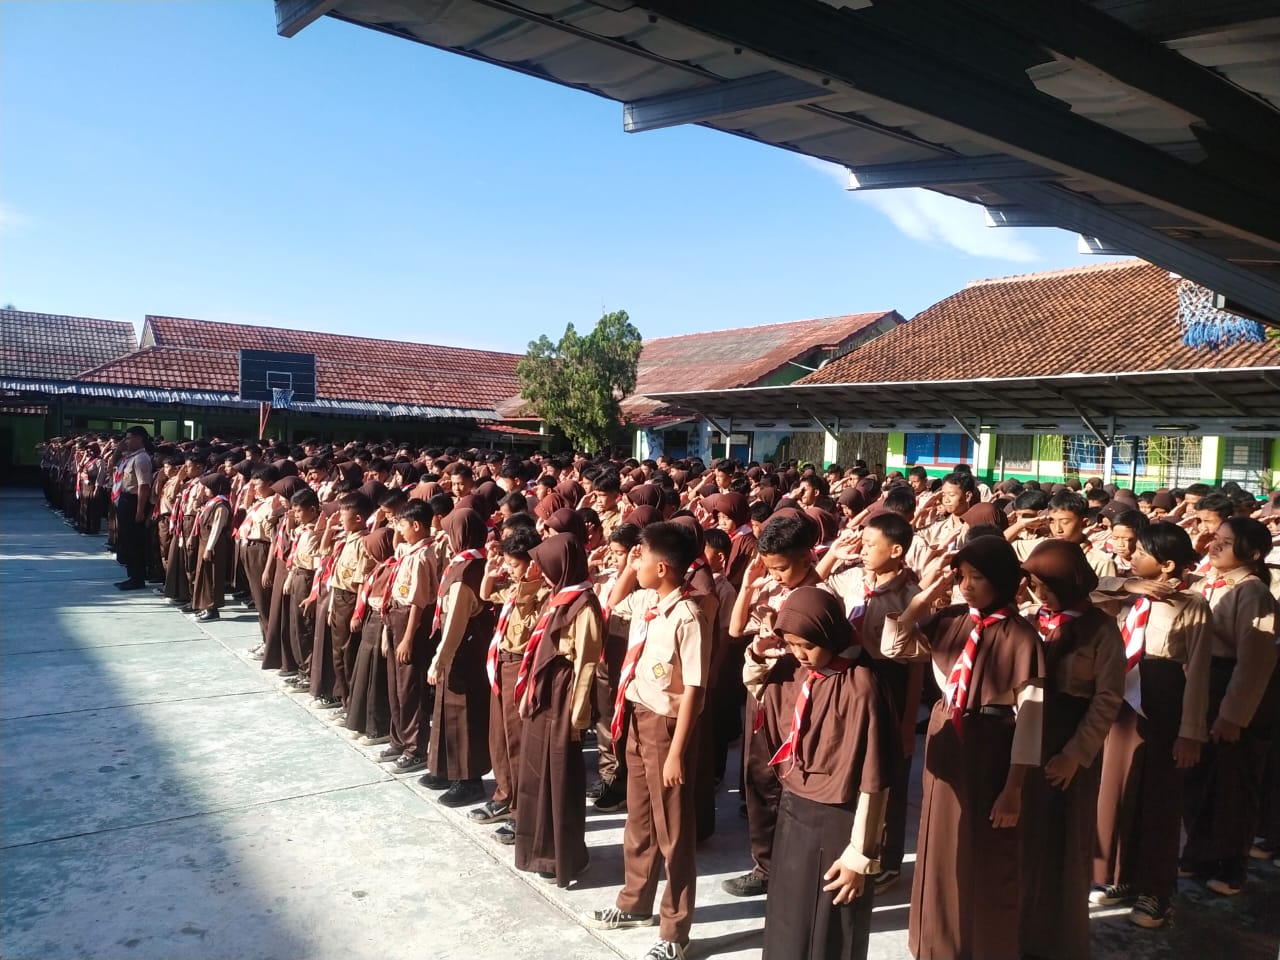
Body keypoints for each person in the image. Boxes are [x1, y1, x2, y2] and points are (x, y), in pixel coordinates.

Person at [882, 535, 1045, 960]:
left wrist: (1014, 787)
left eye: (978, 577)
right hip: (946, 733)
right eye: (961, 577)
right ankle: (934, 940)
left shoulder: (1022, 636)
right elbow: (893, 646)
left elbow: (1030, 720)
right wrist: (924, 598)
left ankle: (982, 945)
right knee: (939, 841)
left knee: (985, 851)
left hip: (992, 745)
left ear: (1003, 580)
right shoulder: (951, 620)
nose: (966, 586)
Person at [746, 587, 899, 960]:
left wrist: (859, 856)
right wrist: (759, 654)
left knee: (830, 926)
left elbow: (874, 782)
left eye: (807, 645)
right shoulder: (798, 669)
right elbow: (763, 692)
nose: (799, 653)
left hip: (839, 823)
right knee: (788, 921)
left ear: (830, 634)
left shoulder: (862, 687)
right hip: (794, 815)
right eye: (792, 644)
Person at [589, 522, 710, 960]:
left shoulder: (688, 615)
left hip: (666, 726)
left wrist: (676, 753)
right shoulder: (648, 600)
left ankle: (675, 931)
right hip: (638, 718)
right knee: (639, 821)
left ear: (662, 567)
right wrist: (627, 564)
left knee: (672, 831)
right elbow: (613, 602)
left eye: (640, 557)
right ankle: (634, 901)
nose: (632, 563)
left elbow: (693, 688)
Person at [1091, 522, 1211, 929]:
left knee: (1160, 797)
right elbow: (1086, 594)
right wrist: (1128, 586)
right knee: (1119, 789)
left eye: (1141, 553)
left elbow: (1198, 671)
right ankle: (1123, 874)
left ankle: (1156, 890)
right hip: (1123, 698)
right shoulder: (1127, 593)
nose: (1132, 556)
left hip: (1163, 699)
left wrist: (1190, 731)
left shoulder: (1191, 603)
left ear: (1167, 565)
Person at [1018, 540, 1124, 960]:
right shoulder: (1029, 621)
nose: (1040, 594)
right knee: (1025, 841)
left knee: (1064, 844)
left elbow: (1107, 699)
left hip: (1069, 742)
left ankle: (1056, 940)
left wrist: (1075, 755)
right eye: (1034, 586)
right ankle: (1018, 933)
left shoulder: (1100, 629)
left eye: (1048, 586)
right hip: (1028, 737)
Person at [724, 512, 823, 898]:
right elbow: (735, 630)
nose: (776, 575)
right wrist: (750, 587)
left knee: (790, 782)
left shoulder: (820, 596)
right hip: (762, 691)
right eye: (770, 568)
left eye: (782, 568)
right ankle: (765, 865)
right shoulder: (767, 586)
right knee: (759, 781)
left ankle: (789, 869)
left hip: (796, 695)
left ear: (807, 557)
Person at [822, 511, 921, 891]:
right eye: (861, 544)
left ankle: (887, 859)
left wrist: (908, 722)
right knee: (853, 763)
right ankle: (852, 844)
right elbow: (812, 585)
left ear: (896, 551)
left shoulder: (911, 596)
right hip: (850, 677)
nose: (862, 551)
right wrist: (833, 554)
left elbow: (915, 667)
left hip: (889, 680)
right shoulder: (852, 579)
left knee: (888, 771)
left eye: (869, 545)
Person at [1181, 516, 1279, 896]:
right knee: (1202, 776)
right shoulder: (1210, 582)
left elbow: (1255, 662)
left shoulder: (1253, 593)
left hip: (1232, 686)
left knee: (1234, 782)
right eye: (1216, 539)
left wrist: (1233, 715)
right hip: (1205, 683)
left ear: (1252, 554)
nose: (1215, 546)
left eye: (1226, 541)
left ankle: (1231, 864)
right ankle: (1200, 853)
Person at [514, 532, 602, 886]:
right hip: (544, 689)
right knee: (536, 772)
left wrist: (578, 717)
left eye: (545, 565)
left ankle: (564, 856)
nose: (540, 570)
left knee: (560, 774)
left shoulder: (584, 604)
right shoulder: (557, 595)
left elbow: (587, 663)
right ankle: (537, 849)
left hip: (564, 692)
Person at [471, 526, 548, 844]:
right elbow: (487, 594)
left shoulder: (542, 592)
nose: (509, 570)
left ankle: (521, 809)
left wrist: (528, 582)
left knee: (517, 740)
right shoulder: (515, 587)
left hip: (521, 666)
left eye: (514, 564)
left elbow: (532, 624)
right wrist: (491, 573)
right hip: (500, 663)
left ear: (532, 564)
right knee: (499, 735)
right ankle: (504, 793)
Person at [424, 508, 494, 802]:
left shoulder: (467, 571)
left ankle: (469, 779)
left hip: (463, 650)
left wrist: (439, 660)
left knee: (464, 714)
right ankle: (444, 767)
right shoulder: (468, 562)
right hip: (460, 648)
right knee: (446, 709)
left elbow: (455, 621)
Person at [379, 499, 439, 773]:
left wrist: (407, 638)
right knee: (395, 686)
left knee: (410, 688)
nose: (399, 529)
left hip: (410, 622)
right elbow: (396, 545)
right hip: (396, 616)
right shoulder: (409, 550)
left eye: (402, 524)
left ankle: (415, 748)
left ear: (416, 525)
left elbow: (418, 602)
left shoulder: (423, 556)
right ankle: (399, 739)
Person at [112, 426, 154, 590]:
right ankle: (132, 575)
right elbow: (111, 466)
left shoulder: (142, 459)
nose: (126, 441)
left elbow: (144, 486)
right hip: (125, 499)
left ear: (139, 439)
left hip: (134, 501)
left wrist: (140, 511)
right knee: (126, 540)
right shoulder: (129, 457)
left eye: (129, 438)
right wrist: (118, 450)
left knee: (135, 541)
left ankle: (137, 578)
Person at [188, 473, 232, 622]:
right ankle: (205, 606)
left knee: (212, 576)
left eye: (207, 488)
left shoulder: (221, 505)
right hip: (204, 542)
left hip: (214, 545)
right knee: (204, 575)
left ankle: (213, 609)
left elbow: (216, 529)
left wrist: (209, 548)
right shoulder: (211, 503)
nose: (205, 490)